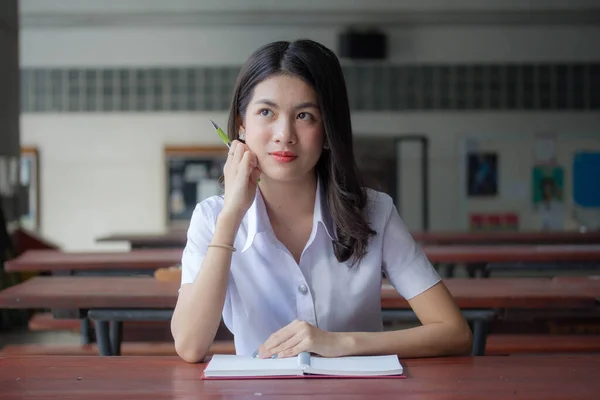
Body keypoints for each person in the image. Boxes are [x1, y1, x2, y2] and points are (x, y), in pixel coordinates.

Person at [171, 39, 472, 363]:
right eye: (266, 112)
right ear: (242, 124)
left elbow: (454, 332)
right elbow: (190, 346)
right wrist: (231, 215)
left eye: (304, 115)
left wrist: (339, 343)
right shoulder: (212, 218)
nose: (284, 134)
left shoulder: (374, 212)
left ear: (328, 129)